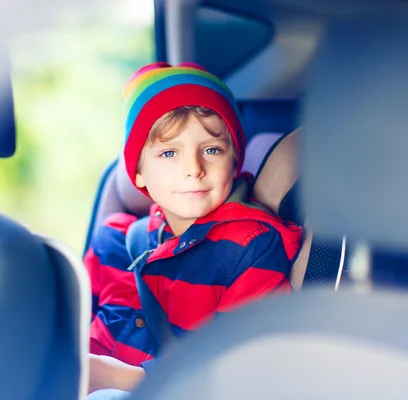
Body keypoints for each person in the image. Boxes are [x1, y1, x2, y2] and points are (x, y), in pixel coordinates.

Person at [83, 62, 303, 396]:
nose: (193, 169)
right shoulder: (115, 239)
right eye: (169, 152)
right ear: (138, 171)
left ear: (234, 160)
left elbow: (245, 369)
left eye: (212, 150)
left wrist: (121, 380)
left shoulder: (249, 249)